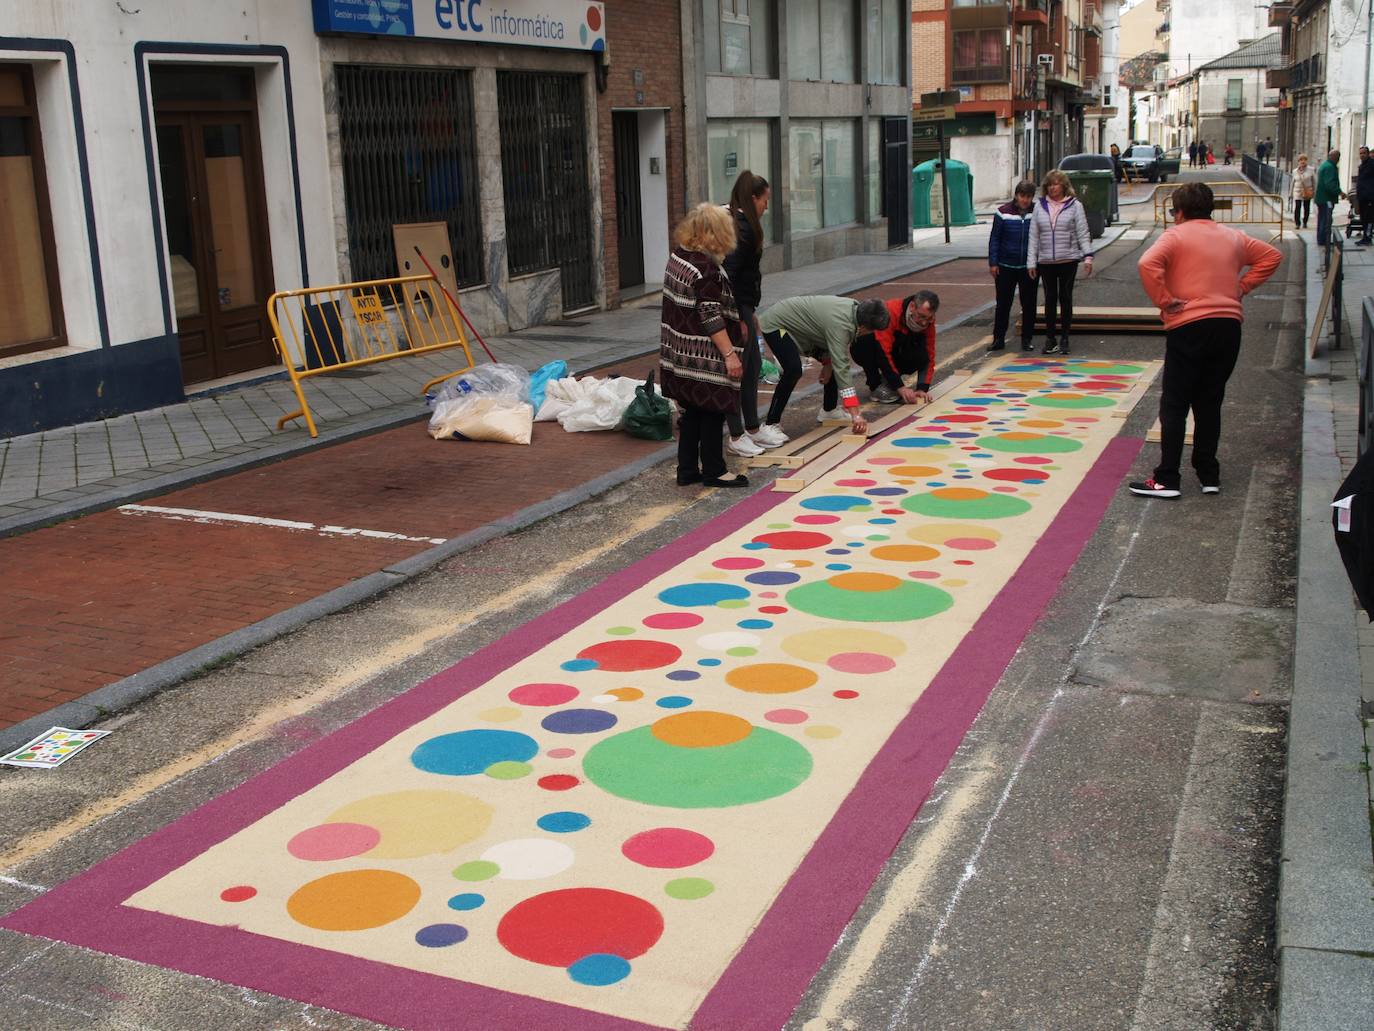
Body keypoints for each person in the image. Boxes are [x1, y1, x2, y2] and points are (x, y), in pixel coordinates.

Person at [1130, 182, 1281, 499]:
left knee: (1175, 403)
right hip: (1228, 324)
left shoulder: (1175, 236)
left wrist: (1165, 299)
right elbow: (1271, 255)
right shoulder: (1233, 236)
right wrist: (1243, 287)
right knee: (1209, 400)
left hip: (1189, 323)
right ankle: (1208, 473)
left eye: (1173, 212)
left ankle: (1167, 477)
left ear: (1180, 212)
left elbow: (1147, 263)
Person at [658, 203, 749, 489]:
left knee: (693, 410)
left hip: (679, 353)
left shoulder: (679, 256)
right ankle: (715, 470)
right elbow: (710, 317)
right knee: (712, 411)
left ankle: (687, 469)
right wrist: (730, 355)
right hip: (703, 356)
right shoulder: (704, 269)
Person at [755, 296, 891, 437]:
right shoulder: (841, 325)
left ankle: (829, 410)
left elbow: (832, 346)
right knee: (793, 369)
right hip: (778, 324)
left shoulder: (855, 310)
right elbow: (842, 368)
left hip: (806, 328)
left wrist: (827, 363)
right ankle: (771, 424)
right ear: (864, 327)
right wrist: (855, 413)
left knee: (833, 362)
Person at [720, 171, 775, 456]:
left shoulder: (742, 224)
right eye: (765, 200)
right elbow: (730, 275)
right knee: (737, 371)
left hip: (744, 305)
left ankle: (752, 427)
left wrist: (749, 312)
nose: (767, 207)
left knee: (752, 367)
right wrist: (739, 317)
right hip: (735, 307)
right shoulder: (742, 228)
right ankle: (737, 434)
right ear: (753, 198)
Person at [1027, 169, 1093, 356]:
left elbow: (1082, 231)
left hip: (1068, 258)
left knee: (1065, 297)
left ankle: (1064, 337)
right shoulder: (1040, 206)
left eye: (1056, 184)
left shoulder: (1075, 206)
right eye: (1050, 184)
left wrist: (1087, 256)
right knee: (1049, 298)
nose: (1053, 188)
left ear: (1064, 186)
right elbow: (1034, 235)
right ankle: (1050, 338)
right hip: (1046, 260)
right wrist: (1031, 262)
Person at [854, 290, 940, 402]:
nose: (924, 323)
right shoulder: (891, 311)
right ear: (912, 306)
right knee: (866, 340)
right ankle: (875, 384)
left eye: (929, 318)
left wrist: (922, 388)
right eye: (921, 316)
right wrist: (900, 387)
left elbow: (929, 354)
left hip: (898, 348)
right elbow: (883, 352)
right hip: (872, 348)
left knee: (921, 355)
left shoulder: (928, 321)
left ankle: (889, 379)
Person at [987, 180, 1039, 353]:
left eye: (1029, 197)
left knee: (1029, 303)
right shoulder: (1002, 213)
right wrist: (993, 262)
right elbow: (995, 238)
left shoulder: (1037, 212)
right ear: (1016, 195)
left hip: (1028, 266)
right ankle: (998, 338)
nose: (1025, 200)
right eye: (1022, 196)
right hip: (1005, 265)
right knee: (1003, 303)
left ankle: (1027, 339)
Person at [1315, 149, 1345, 246]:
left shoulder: (1326, 165)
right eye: (1338, 157)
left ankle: (1321, 238)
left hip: (1322, 198)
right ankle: (1323, 240)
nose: (1338, 160)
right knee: (1325, 219)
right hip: (1326, 199)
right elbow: (1330, 184)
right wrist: (1340, 192)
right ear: (1334, 157)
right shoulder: (1330, 167)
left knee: (1322, 219)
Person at [1290, 152, 1315, 228]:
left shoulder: (1311, 170)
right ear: (1298, 161)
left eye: (1304, 160)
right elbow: (1292, 182)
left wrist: (1314, 192)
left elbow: (1314, 181)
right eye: (1301, 160)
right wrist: (1290, 193)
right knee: (1297, 207)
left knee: (1306, 207)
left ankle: (1305, 222)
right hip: (1297, 192)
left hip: (1307, 191)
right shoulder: (1295, 171)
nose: (1302, 161)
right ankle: (1297, 223)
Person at [1356, 145, 1374, 245]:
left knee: (1369, 218)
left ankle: (1368, 237)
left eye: (1364, 153)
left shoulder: (1372, 165)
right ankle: (1365, 237)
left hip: (1370, 197)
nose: (1362, 155)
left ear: (1367, 154)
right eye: (1360, 153)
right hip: (1362, 197)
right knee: (1363, 218)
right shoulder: (1362, 165)